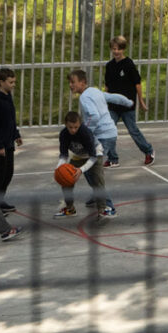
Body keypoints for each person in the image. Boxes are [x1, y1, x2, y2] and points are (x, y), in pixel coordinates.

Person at [68, 69, 132, 216]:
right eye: (69, 82)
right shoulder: (95, 91)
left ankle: (108, 206)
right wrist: (128, 102)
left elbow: (94, 116)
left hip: (102, 137)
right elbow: (114, 97)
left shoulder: (84, 97)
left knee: (92, 172)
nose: (71, 85)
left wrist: (84, 133)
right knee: (90, 168)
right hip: (111, 134)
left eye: (73, 82)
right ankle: (96, 196)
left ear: (83, 82)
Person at [103, 35, 155, 166]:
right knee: (109, 131)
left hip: (127, 105)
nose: (116, 51)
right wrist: (103, 101)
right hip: (113, 106)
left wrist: (141, 101)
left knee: (133, 130)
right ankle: (112, 159)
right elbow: (107, 86)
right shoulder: (109, 66)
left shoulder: (128, 64)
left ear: (123, 49)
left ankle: (149, 151)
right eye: (114, 49)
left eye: (119, 49)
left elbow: (137, 83)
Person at [54, 111, 113, 219]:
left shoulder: (85, 133)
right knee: (66, 182)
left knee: (97, 182)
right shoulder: (63, 134)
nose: (73, 130)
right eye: (70, 127)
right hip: (78, 156)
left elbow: (93, 156)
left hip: (95, 154)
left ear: (80, 124)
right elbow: (64, 155)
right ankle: (70, 209)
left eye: (76, 127)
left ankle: (103, 209)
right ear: (65, 124)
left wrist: (81, 170)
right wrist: (58, 169)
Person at [0, 67, 23, 215]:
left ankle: (0, 201)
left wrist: (16, 134)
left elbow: (11, 119)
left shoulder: (8, 97)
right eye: (11, 82)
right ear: (1, 82)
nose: (13, 85)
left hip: (9, 143)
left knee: (8, 173)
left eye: (14, 82)